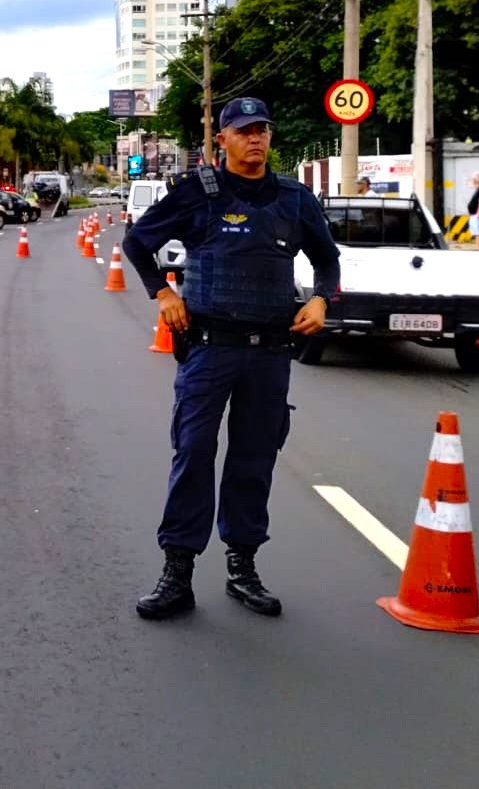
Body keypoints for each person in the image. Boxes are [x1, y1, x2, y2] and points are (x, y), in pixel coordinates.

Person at [120, 97, 339, 622]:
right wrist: (164, 294)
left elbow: (327, 259)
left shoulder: (294, 198)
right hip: (209, 351)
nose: (255, 139)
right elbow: (137, 241)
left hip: (269, 355)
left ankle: (243, 567)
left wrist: (321, 298)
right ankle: (178, 571)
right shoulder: (197, 192)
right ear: (222, 140)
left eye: (261, 129)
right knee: (193, 452)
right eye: (243, 131)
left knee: (253, 459)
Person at [465, 173, 479, 246]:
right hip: (474, 214)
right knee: (477, 233)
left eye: (474, 178)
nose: (473, 180)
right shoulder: (478, 188)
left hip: (478, 214)